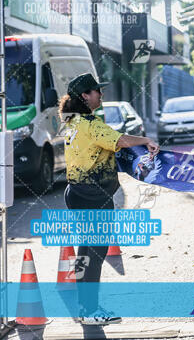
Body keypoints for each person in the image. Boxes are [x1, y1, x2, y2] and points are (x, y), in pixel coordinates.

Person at [59, 73, 159, 325]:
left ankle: (84, 305)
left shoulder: (72, 121)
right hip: (91, 195)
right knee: (94, 251)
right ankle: (89, 310)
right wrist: (146, 139)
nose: (101, 95)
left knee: (87, 250)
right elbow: (121, 141)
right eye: (96, 91)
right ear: (84, 96)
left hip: (77, 192)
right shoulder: (90, 125)